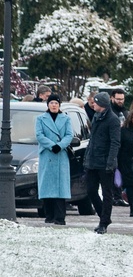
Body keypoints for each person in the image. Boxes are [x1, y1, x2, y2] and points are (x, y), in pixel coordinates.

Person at [85, 92, 121, 234]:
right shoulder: (96, 117)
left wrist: (111, 161)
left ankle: (103, 222)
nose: (93, 104)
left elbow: (115, 142)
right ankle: (104, 216)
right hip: (93, 160)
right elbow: (92, 140)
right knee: (91, 190)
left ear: (103, 104)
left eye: (96, 102)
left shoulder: (113, 120)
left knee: (107, 193)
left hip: (106, 161)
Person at [35, 94, 73, 225]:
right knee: (47, 186)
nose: (54, 105)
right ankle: (49, 215)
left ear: (59, 104)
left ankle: (60, 217)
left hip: (61, 155)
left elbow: (69, 135)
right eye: (51, 103)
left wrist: (60, 145)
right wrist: (52, 146)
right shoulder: (40, 119)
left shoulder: (66, 119)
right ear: (48, 105)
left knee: (60, 188)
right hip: (47, 155)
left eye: (56, 103)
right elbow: (39, 135)